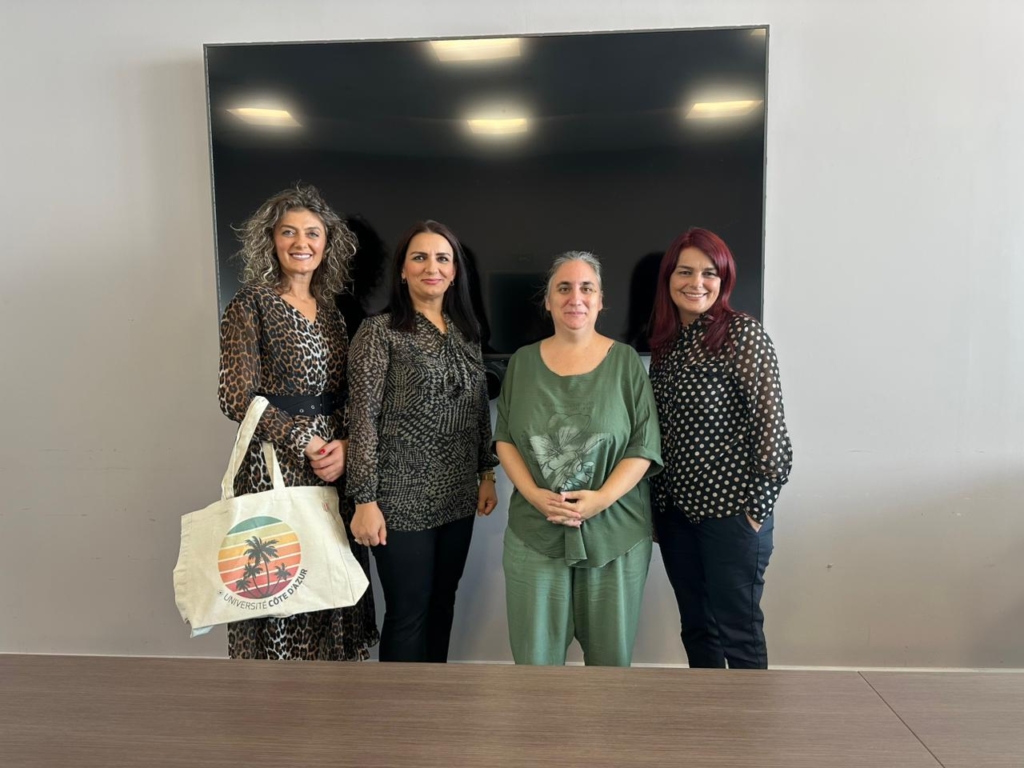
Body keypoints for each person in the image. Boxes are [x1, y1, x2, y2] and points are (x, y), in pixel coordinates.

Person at [218, 183, 379, 660]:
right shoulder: (251, 303)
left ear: (328, 244)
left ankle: (333, 699)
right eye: (288, 232)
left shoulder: (333, 314)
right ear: (271, 240)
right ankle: (276, 701)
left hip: (333, 469)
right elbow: (235, 396)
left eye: (312, 233)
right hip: (275, 468)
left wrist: (345, 446)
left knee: (331, 583)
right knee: (281, 587)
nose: (301, 242)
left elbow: (348, 393)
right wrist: (304, 441)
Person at [494, 251, 662, 667]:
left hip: (615, 534)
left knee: (610, 667)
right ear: (547, 300)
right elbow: (506, 439)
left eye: (587, 288)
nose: (576, 298)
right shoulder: (522, 363)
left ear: (601, 300)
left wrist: (600, 499)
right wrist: (533, 495)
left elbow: (643, 445)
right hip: (535, 532)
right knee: (535, 665)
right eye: (564, 288)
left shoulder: (626, 362)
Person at [347, 220, 498, 663]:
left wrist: (486, 473)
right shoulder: (379, 332)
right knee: (408, 612)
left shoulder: (467, 333)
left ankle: (436, 699)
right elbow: (362, 419)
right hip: (399, 496)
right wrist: (364, 499)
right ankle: (399, 706)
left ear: (454, 272)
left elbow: (477, 412)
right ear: (403, 269)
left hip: (457, 495)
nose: (432, 267)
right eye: (420, 257)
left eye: (442, 258)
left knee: (442, 603)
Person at [647, 227, 792, 669]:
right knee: (696, 627)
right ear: (669, 278)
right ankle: (708, 713)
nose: (697, 282)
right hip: (675, 516)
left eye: (709, 273)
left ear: (724, 279)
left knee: (738, 632)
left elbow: (773, 434)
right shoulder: (665, 345)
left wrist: (755, 512)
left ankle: (749, 717)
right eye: (685, 271)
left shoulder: (742, 334)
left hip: (731, 514)